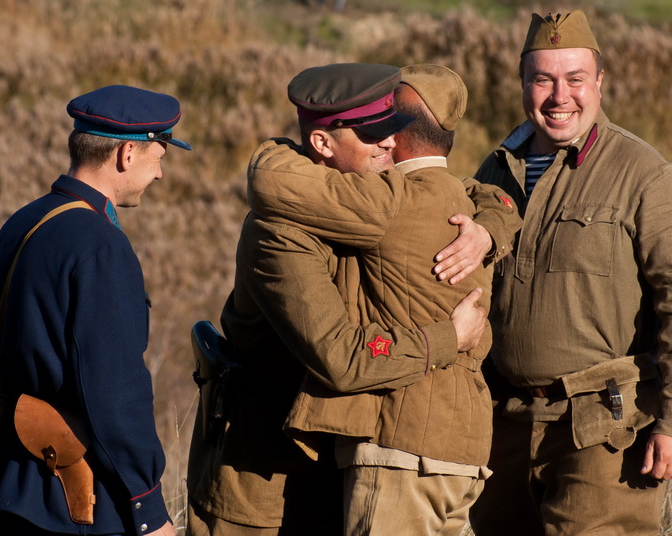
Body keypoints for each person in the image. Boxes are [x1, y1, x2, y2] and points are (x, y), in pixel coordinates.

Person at [186, 63, 516, 535]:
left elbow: (461, 190)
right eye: (371, 134)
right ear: (323, 144)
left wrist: (487, 229)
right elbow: (340, 358)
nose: (390, 143)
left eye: (391, 128)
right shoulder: (280, 233)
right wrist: (448, 338)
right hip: (260, 489)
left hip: (326, 480)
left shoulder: (370, 196)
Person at [457, 10, 672, 536]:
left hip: (604, 430)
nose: (560, 96)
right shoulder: (494, 171)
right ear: (522, 83)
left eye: (575, 78)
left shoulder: (645, 175)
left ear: (600, 81)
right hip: (503, 426)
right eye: (543, 79)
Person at [0, 85, 191, 535]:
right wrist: (148, 507)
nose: (160, 175)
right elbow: (114, 392)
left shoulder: (23, 222)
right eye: (160, 157)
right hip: (79, 505)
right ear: (127, 154)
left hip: (11, 487)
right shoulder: (100, 246)